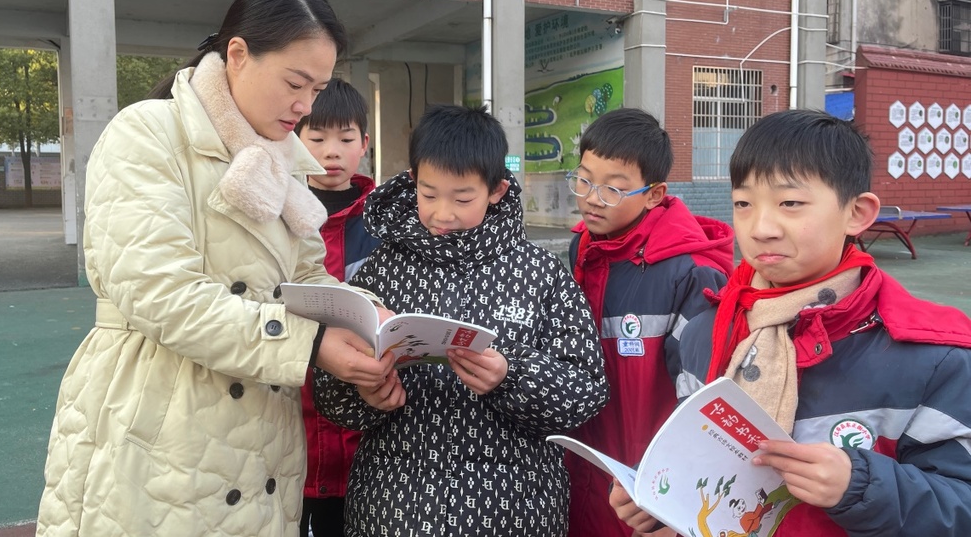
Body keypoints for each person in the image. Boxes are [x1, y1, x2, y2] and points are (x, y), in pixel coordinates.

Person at [34, 0, 396, 537]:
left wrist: (373, 321)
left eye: (319, 89)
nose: (305, 106)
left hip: (260, 440)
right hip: (158, 424)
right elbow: (161, 294)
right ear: (238, 54)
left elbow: (307, 275)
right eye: (296, 82)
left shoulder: (281, 158)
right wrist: (310, 343)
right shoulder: (147, 134)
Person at [609, 110, 971, 536]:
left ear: (857, 212)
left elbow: (960, 505)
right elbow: (696, 455)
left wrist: (860, 485)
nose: (761, 228)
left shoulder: (931, 355)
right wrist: (655, 494)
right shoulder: (709, 328)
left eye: (790, 203)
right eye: (743, 204)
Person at [314, 104, 610, 537]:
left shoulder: (538, 273)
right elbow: (330, 392)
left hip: (515, 509)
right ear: (412, 180)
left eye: (462, 198)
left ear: (495, 190)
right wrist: (363, 391)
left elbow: (586, 391)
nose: (443, 213)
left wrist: (512, 376)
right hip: (393, 506)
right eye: (429, 195)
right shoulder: (380, 270)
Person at [564, 108, 733, 537]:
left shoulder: (692, 274)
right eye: (583, 180)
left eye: (613, 190)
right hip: (589, 466)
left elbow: (702, 404)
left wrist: (668, 488)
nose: (591, 198)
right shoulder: (583, 249)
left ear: (655, 194)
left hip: (645, 489)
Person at [293, 78, 378, 537]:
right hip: (293, 438)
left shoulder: (388, 223)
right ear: (294, 139)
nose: (332, 152)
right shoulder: (275, 216)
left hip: (367, 438)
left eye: (346, 139)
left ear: (364, 144)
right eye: (317, 137)